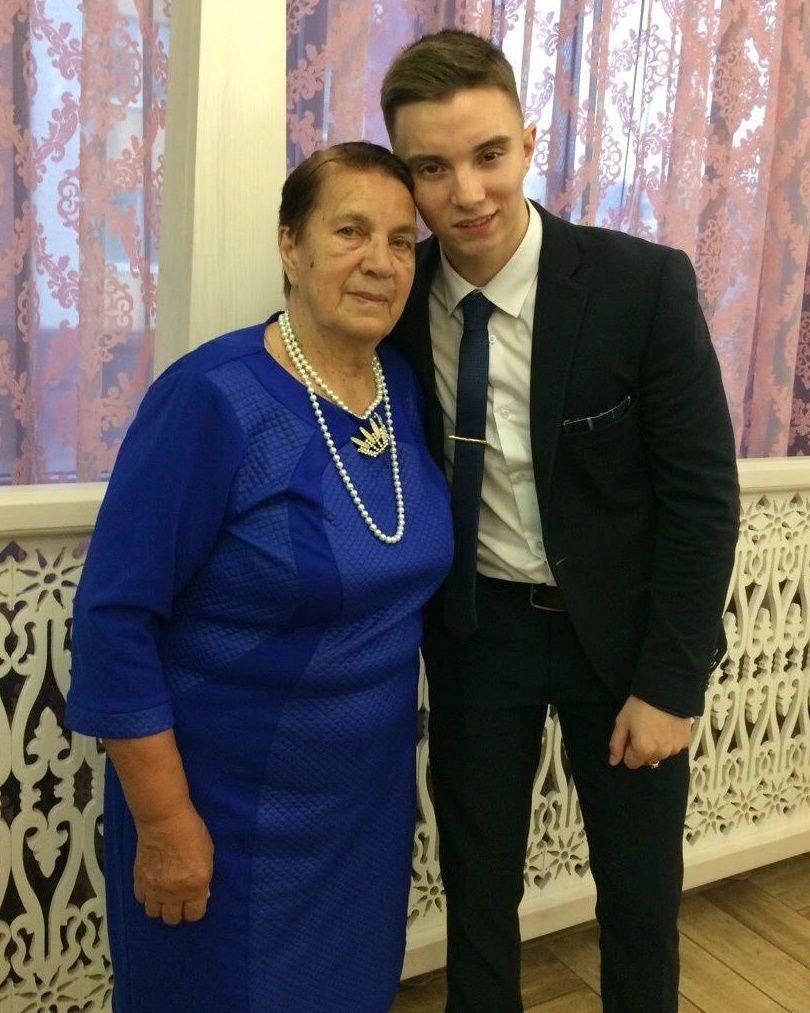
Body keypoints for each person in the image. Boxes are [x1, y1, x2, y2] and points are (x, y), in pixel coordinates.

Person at [382, 30, 739, 1013]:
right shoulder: (398, 304)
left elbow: (703, 500)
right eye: (432, 168)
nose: (467, 192)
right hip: (477, 633)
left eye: (489, 154)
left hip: (620, 642)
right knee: (476, 889)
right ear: (407, 177)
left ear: (529, 142)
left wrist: (671, 682)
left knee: (638, 894)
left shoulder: (641, 286)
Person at [64, 141, 453, 1013]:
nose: (381, 261)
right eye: (350, 231)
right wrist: (165, 822)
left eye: (401, 241)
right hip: (223, 815)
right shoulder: (211, 397)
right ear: (290, 245)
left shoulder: (401, 387)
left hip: (360, 816)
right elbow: (114, 619)